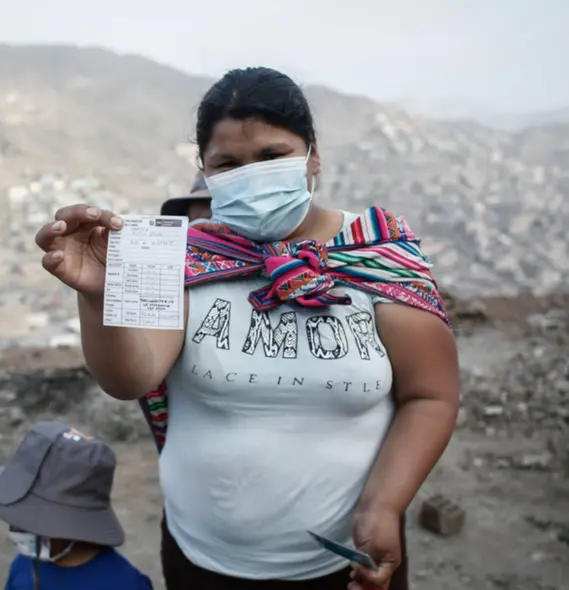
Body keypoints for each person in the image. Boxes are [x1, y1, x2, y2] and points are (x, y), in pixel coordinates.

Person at [35, 66, 460, 590]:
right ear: (205, 171)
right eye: (229, 163)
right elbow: (130, 380)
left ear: (313, 154)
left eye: (272, 155)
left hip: (347, 557)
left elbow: (431, 396)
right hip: (203, 559)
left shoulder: (377, 253)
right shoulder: (182, 256)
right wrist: (98, 296)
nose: (252, 175)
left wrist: (386, 504)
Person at [0, 421, 153, 590]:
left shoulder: (125, 583)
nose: (15, 528)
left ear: (73, 521)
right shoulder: (24, 565)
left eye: (28, 516)